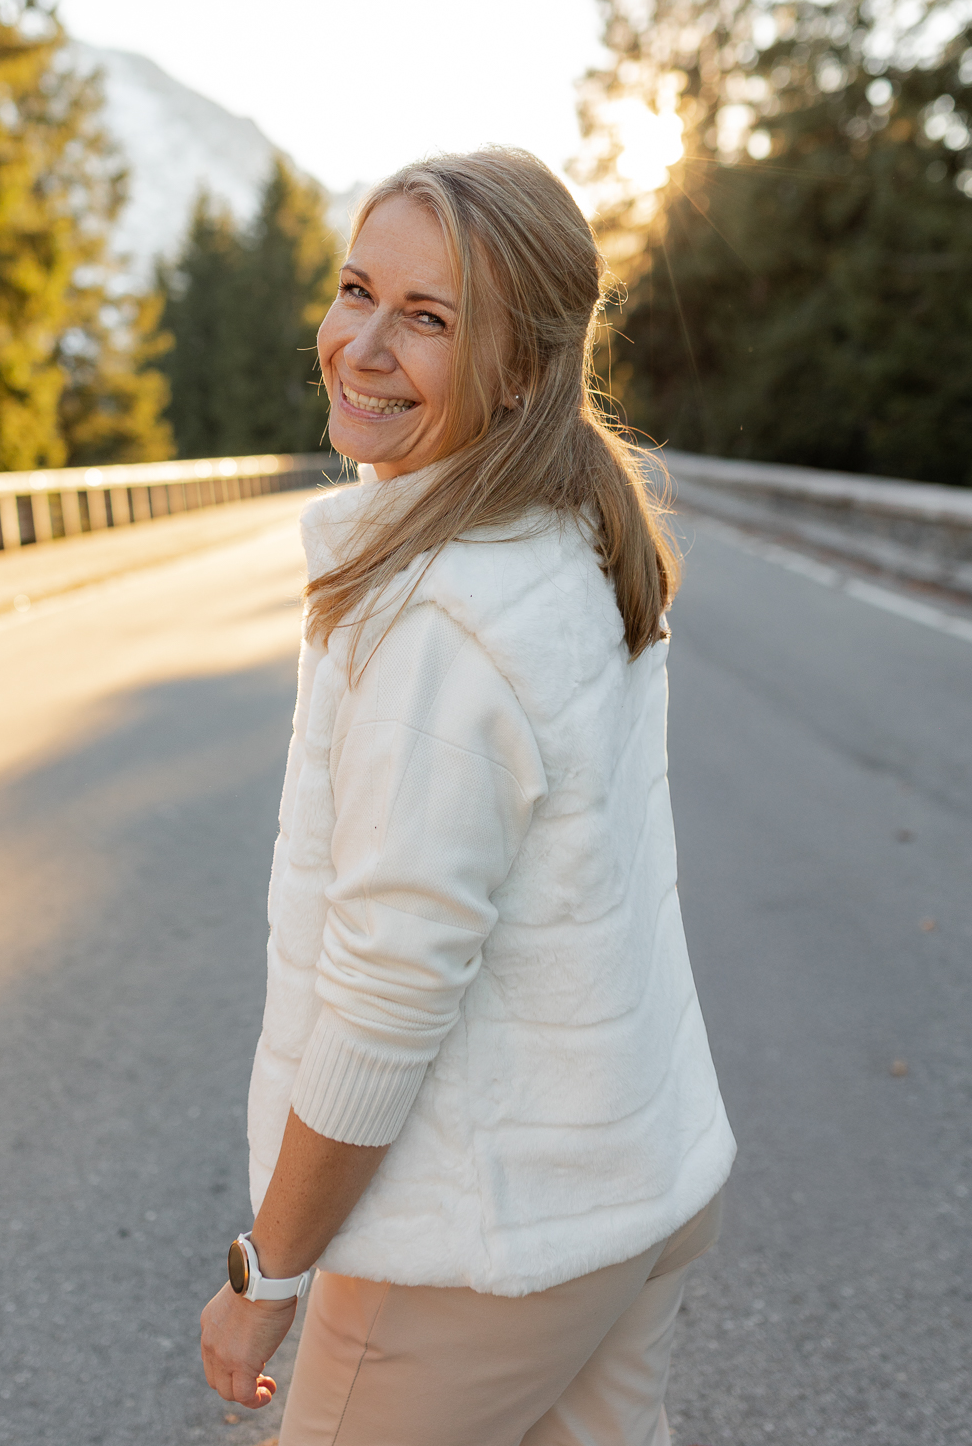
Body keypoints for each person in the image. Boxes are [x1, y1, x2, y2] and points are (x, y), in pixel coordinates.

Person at [200, 148, 736, 1446]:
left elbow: (387, 1000)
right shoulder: (574, 529)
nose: (362, 346)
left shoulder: (442, 618)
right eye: (354, 290)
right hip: (637, 1189)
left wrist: (264, 1275)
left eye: (429, 319)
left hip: (478, 1253)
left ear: (517, 367)